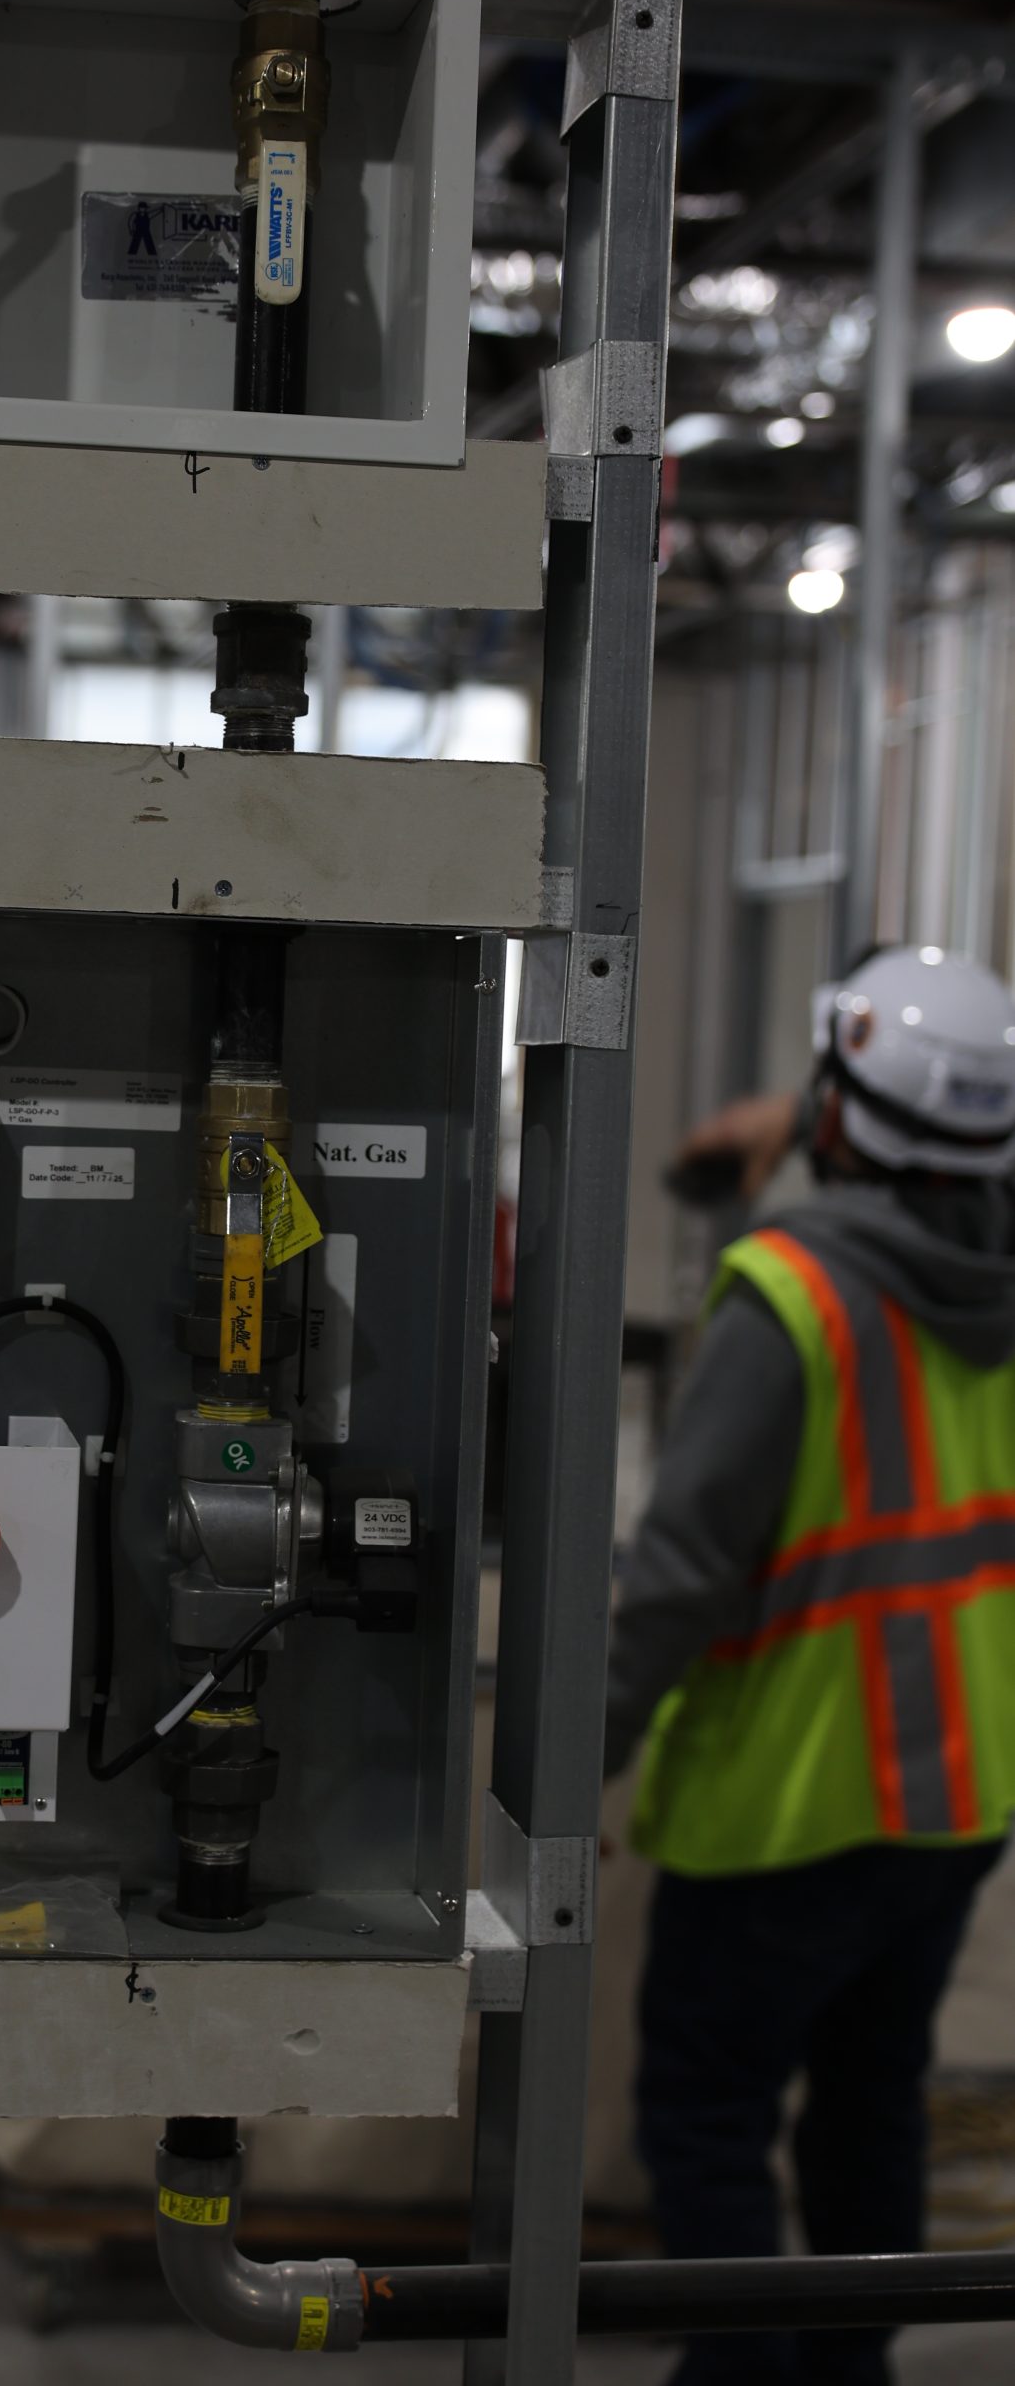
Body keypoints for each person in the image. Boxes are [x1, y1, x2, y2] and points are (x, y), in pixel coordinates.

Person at [605, 945, 1015, 2385]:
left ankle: (746, 2379)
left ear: (838, 1106)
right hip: (956, 1792)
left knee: (708, 2115)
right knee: (869, 2100)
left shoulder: (791, 1297)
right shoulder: (993, 1285)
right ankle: (848, 2370)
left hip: (791, 1798)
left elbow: (677, 1579)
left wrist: (569, 1747)